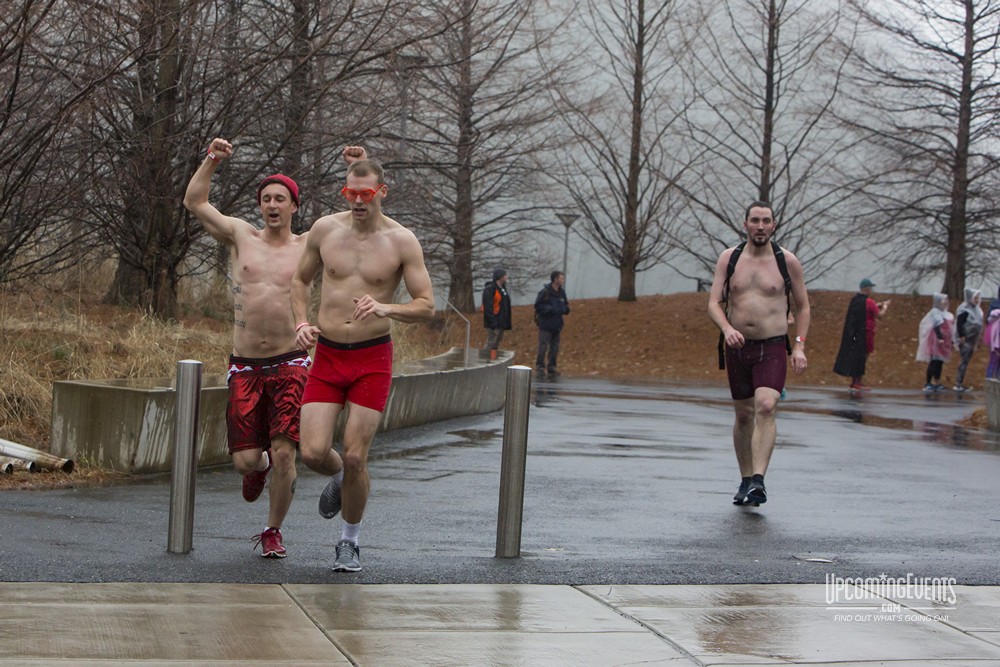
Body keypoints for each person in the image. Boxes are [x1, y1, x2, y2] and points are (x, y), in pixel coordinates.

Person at [183, 138, 367, 559]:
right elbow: (195, 201)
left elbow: (357, 217)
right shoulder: (241, 236)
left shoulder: (309, 245)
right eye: (265, 198)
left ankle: (273, 530)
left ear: (293, 206)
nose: (272, 205)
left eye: (280, 199)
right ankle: (259, 467)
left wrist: (355, 166)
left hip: (290, 360)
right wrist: (213, 159)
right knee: (248, 461)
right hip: (245, 363)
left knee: (286, 452)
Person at [290, 158, 435, 573]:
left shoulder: (401, 241)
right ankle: (339, 479)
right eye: (350, 193)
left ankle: (349, 542)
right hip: (328, 354)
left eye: (365, 194)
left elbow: (426, 305)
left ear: (381, 193)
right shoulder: (324, 230)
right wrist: (301, 322)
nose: (356, 201)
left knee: (356, 457)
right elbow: (300, 281)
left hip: (372, 357)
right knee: (314, 453)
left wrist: (386, 306)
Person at [707, 201, 810, 507]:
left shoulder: (786, 261)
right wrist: (727, 329)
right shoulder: (730, 258)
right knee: (743, 414)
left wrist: (800, 344)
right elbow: (714, 302)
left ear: (774, 226)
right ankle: (745, 479)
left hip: (772, 346)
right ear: (746, 225)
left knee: (765, 405)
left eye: (766, 221)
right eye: (755, 220)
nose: (761, 226)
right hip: (737, 346)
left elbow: (803, 306)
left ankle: (758, 480)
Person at [833, 278, 889, 392]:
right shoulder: (869, 301)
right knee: (863, 357)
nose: (871, 290)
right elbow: (880, 315)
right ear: (867, 288)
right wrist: (885, 307)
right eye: (870, 288)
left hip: (854, 334)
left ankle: (855, 382)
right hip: (866, 334)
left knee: (856, 356)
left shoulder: (855, 300)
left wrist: (877, 305)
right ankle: (858, 381)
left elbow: (865, 310)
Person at [534, 271, 570, 378]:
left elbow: (566, 305)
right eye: (561, 278)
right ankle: (540, 366)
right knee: (543, 345)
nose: (562, 280)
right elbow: (538, 306)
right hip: (546, 323)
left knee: (555, 347)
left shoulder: (561, 292)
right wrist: (548, 309)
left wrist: (565, 309)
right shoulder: (545, 292)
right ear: (555, 279)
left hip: (557, 324)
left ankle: (552, 366)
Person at [915, 293, 954, 392]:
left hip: (944, 341)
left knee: (940, 362)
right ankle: (928, 383)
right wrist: (940, 337)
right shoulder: (935, 312)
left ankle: (937, 381)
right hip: (936, 340)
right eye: (943, 300)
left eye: (946, 300)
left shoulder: (946, 313)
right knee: (934, 361)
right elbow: (936, 325)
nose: (945, 302)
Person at [954, 288, 983, 392]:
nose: (977, 300)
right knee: (964, 361)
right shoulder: (964, 310)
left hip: (972, 340)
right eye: (975, 298)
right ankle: (958, 383)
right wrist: (961, 335)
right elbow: (959, 323)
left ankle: (960, 382)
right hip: (965, 340)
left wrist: (978, 340)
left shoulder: (977, 310)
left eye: (978, 298)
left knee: (966, 361)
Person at [481, 267, 512, 354]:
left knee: (496, 343)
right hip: (494, 321)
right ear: (500, 277)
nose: (507, 277)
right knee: (491, 343)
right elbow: (488, 307)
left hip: (501, 321)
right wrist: (492, 321)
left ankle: (492, 361)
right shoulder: (490, 289)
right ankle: (483, 360)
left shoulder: (503, 289)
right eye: (505, 275)